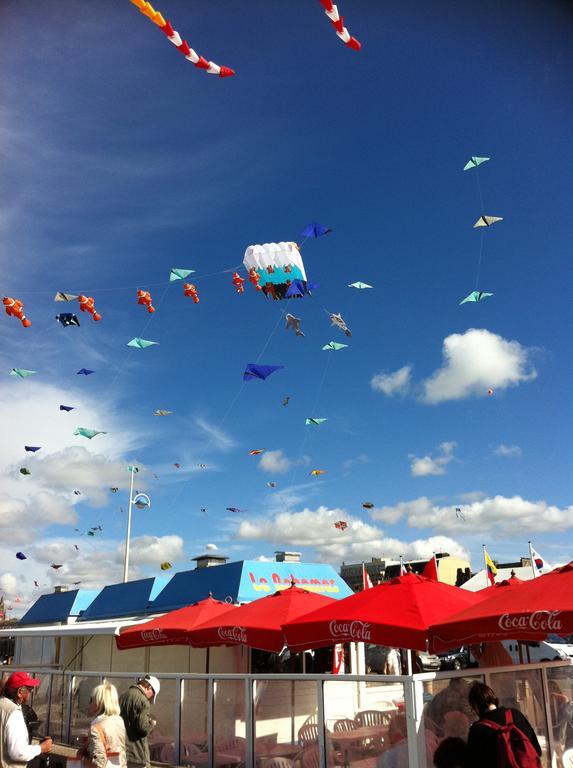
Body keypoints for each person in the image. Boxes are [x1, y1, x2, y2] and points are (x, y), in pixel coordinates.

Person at [465, 682, 541, 768]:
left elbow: (473, 763)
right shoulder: (515, 714)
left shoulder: (477, 730)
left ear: (475, 705)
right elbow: (537, 750)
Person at [0, 671, 52, 767]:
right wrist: (41, 748)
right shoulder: (14, 713)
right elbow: (18, 753)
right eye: (30, 689)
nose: (31, 693)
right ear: (20, 692)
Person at [78, 683, 126, 768]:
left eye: (91, 699)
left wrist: (81, 757)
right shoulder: (119, 720)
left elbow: (98, 764)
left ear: (98, 702)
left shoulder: (96, 728)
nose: (89, 703)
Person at [119, 676, 159, 768]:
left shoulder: (123, 696)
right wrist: (152, 724)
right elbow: (143, 729)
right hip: (137, 754)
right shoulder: (143, 701)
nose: (151, 697)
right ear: (149, 687)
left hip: (122, 750)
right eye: (153, 694)